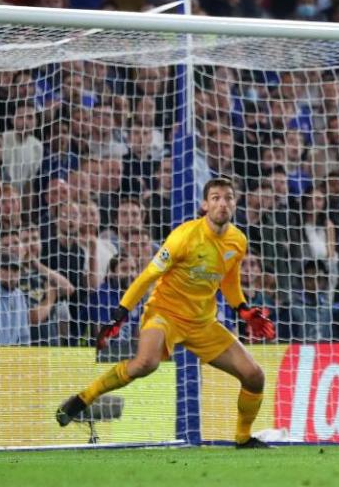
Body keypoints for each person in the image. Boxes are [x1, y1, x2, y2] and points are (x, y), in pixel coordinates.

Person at [55, 178, 276, 449]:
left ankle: (243, 438)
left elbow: (229, 280)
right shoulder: (184, 237)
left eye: (228, 197)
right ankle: (83, 399)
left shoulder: (237, 241)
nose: (222, 203)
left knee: (255, 376)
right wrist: (120, 315)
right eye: (215, 197)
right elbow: (148, 276)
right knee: (145, 364)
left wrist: (243, 309)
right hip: (165, 313)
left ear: (235, 203)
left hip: (203, 322)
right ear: (205, 205)